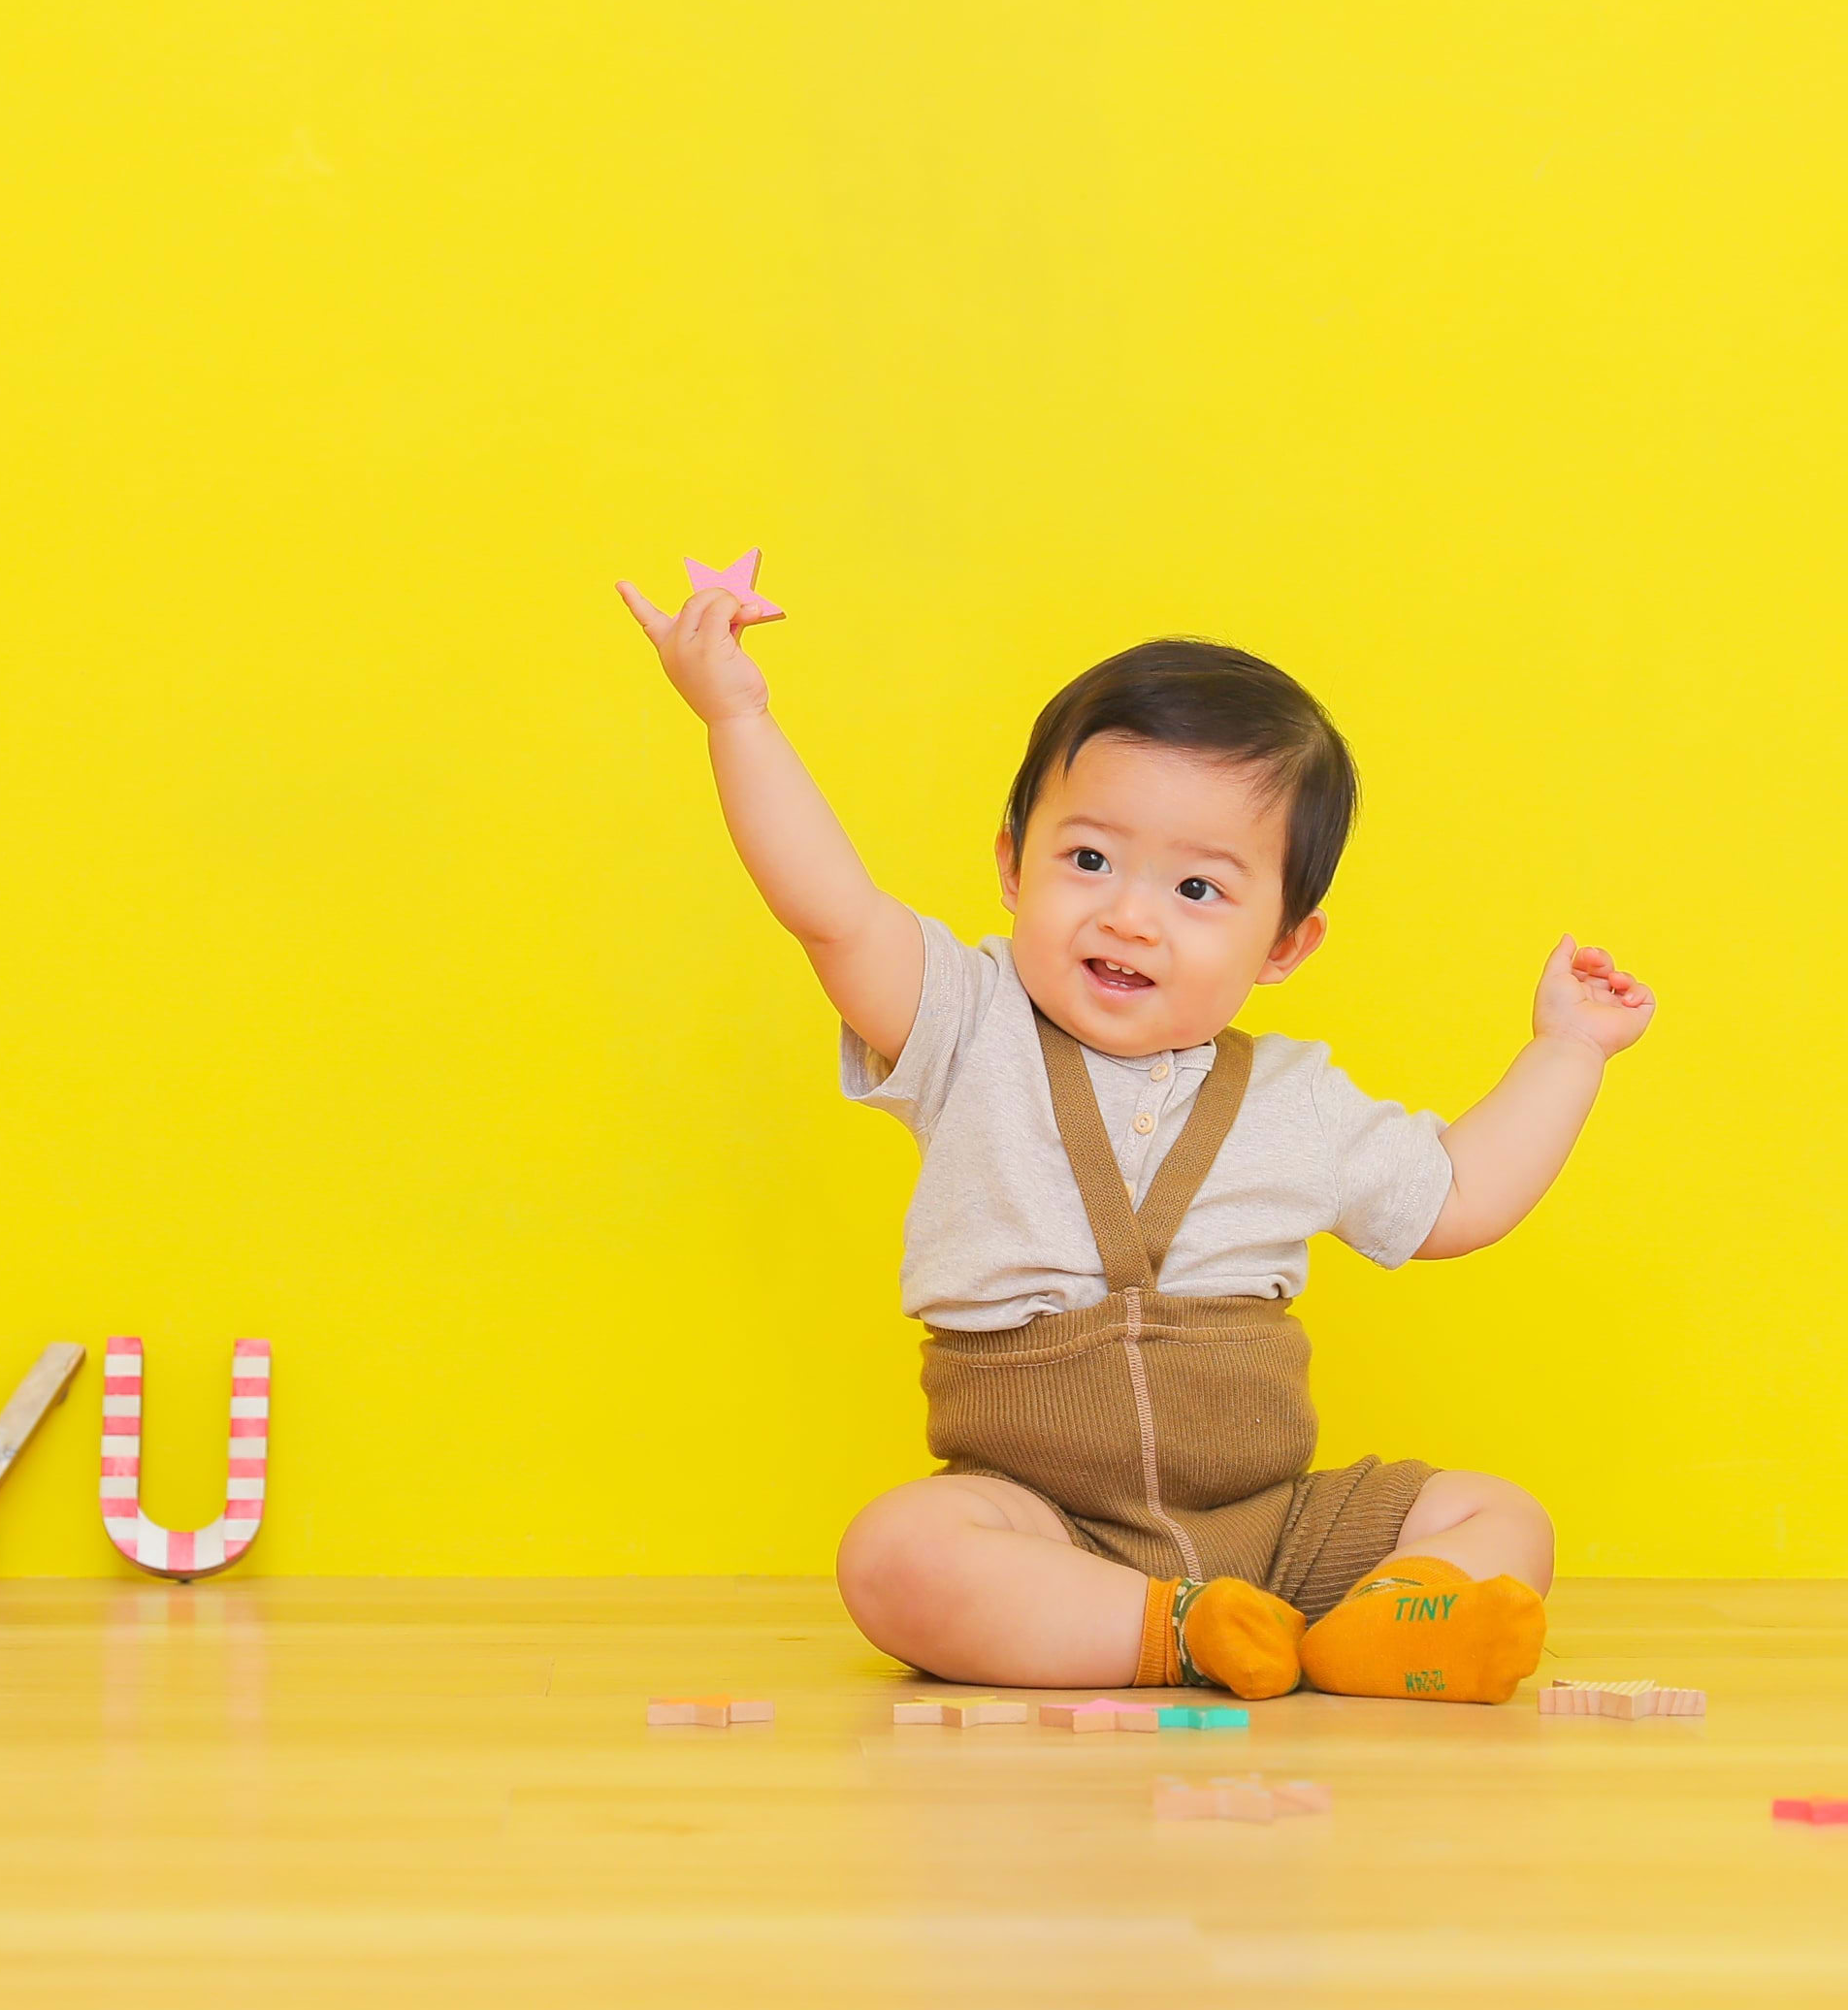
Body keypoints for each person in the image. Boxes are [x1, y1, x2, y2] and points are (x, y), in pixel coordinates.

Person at [617, 575, 1655, 1702]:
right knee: (895, 1553)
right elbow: (830, 911)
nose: (1128, 915)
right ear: (1012, 864)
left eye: (1198, 887)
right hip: (1047, 1524)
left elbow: (1457, 1198)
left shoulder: (1298, 1097)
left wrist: (1568, 1050)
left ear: (1284, 945)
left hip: (1275, 1525)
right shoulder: (964, 1023)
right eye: (1088, 860)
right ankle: (1180, 1631)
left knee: (1498, 1514)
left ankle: (1376, 1626)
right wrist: (736, 715)